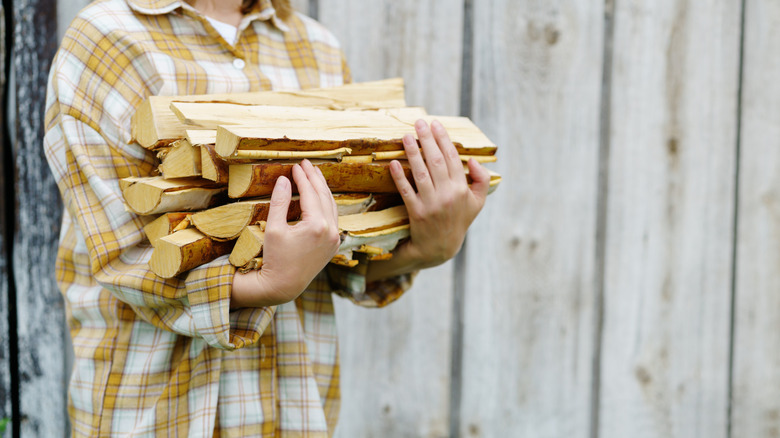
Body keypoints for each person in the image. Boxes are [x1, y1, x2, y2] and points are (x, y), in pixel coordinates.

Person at [43, 0, 489, 435]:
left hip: (296, 407)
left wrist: (425, 249)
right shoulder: (108, 37)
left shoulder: (317, 47)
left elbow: (338, 255)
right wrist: (267, 285)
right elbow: (123, 260)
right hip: (159, 410)